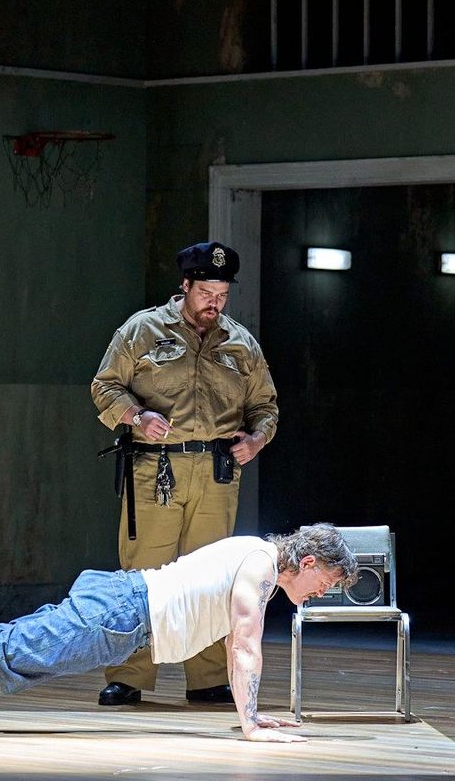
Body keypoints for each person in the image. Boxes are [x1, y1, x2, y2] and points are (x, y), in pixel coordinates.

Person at [0, 523, 357, 743]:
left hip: (121, 614)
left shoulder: (259, 560)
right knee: (4, 655)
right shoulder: (262, 565)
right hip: (122, 613)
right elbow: (243, 644)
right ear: (307, 560)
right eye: (325, 582)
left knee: (6, 666)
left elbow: (234, 644)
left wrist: (251, 712)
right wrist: (250, 727)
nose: (319, 592)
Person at [90, 241, 279, 705]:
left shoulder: (241, 344)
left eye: (222, 294)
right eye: (206, 292)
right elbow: (104, 386)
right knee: (144, 574)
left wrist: (256, 440)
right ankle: (129, 676)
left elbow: (265, 407)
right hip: (158, 467)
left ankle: (209, 677)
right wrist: (136, 417)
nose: (214, 303)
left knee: (215, 577)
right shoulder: (143, 330)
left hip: (216, 473)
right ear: (186, 286)